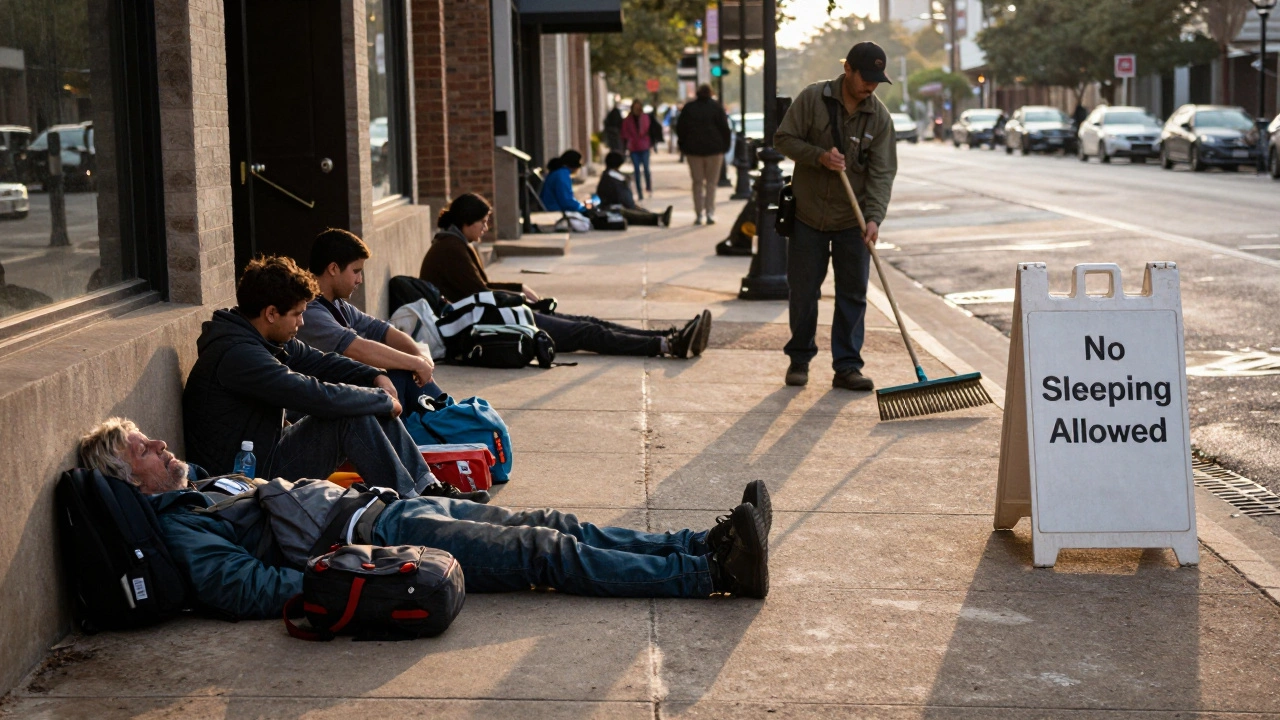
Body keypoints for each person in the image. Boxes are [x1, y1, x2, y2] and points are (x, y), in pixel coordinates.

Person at [78, 418, 772, 618]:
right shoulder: (179, 524)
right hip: (373, 539)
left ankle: (698, 541)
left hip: (385, 508)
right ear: (127, 481)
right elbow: (237, 587)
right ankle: (712, 573)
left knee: (556, 522)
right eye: (140, 447)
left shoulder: (202, 485)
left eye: (149, 436)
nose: (160, 443)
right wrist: (336, 581)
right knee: (542, 553)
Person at [182, 255, 488, 502]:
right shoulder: (239, 356)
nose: (302, 323)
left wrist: (375, 375)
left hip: (266, 450)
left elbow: (322, 362)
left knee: (359, 409)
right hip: (245, 477)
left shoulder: (261, 337)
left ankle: (425, 489)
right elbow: (313, 395)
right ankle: (413, 503)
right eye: (297, 314)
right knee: (353, 415)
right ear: (272, 313)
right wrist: (379, 399)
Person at [421, 193, 711, 359]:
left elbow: (479, 290)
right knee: (587, 333)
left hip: (496, 315)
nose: (486, 228)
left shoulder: (456, 243)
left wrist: (519, 288)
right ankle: (668, 345)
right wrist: (520, 297)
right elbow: (479, 295)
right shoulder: (450, 249)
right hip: (492, 323)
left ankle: (668, 337)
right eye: (483, 222)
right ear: (466, 221)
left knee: (589, 323)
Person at [774, 41, 898, 392]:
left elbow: (882, 173)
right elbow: (782, 139)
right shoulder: (812, 99)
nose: (871, 85)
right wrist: (818, 157)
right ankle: (799, 359)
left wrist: (874, 218)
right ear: (848, 70)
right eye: (865, 77)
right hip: (808, 216)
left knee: (853, 294)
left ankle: (847, 366)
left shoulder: (879, 117)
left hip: (852, 220)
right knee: (803, 292)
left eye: (877, 79)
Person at [299, 228, 445, 412]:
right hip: (321, 404)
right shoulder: (309, 310)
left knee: (405, 372)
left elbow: (382, 330)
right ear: (333, 269)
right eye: (356, 271)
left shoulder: (338, 305)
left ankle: (444, 415)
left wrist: (420, 357)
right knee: (400, 374)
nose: (360, 279)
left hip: (343, 391)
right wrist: (415, 363)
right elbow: (358, 348)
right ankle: (443, 420)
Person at [675, 84, 732, 225]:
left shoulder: (689, 108)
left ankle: (699, 213)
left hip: (694, 151)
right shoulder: (716, 107)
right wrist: (725, 147)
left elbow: (681, 129)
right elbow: (725, 129)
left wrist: (683, 146)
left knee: (697, 183)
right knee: (711, 184)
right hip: (714, 150)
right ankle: (710, 212)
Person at [596, 151, 673, 227]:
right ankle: (659, 218)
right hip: (613, 208)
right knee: (631, 214)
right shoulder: (612, 177)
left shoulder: (609, 175)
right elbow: (622, 196)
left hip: (618, 205)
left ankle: (659, 216)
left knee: (640, 211)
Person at [620, 100, 653, 200]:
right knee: (637, 171)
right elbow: (624, 133)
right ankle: (639, 192)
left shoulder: (645, 118)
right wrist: (628, 143)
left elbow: (649, 130)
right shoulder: (628, 120)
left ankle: (648, 187)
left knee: (646, 169)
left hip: (644, 146)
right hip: (634, 148)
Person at [539, 150, 588, 215]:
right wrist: (583, 209)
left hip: (552, 209)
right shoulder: (562, 175)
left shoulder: (557, 172)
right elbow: (566, 202)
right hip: (555, 212)